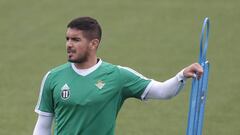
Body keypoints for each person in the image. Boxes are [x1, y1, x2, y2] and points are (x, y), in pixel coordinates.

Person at [33, 16, 203, 135]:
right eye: (67, 39)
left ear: (94, 43)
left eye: (76, 40)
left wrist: (182, 75)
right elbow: (43, 126)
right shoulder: (53, 77)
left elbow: (163, 91)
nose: (69, 45)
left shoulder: (118, 76)